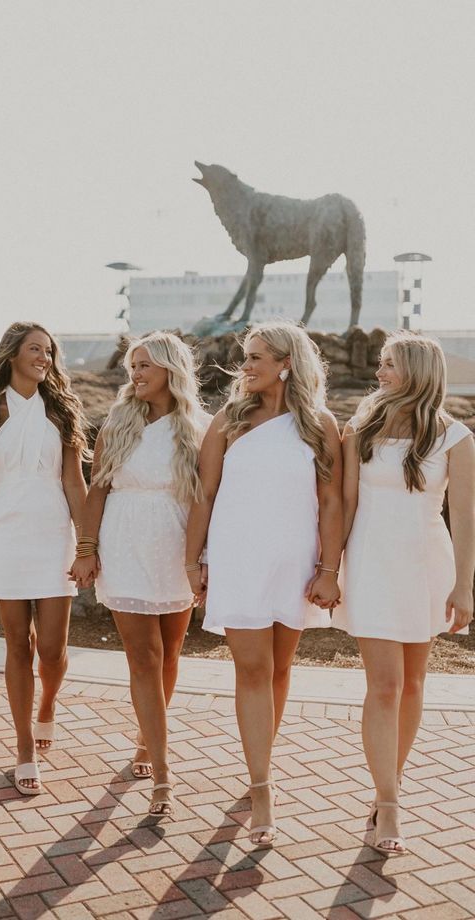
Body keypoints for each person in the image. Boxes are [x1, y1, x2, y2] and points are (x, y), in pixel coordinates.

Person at [185, 321, 343, 846]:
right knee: (252, 669)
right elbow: (204, 494)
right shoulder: (228, 421)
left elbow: (331, 502)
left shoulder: (319, 424)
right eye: (246, 356)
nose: (245, 366)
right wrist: (194, 560)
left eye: (257, 357)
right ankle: (262, 787)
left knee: (278, 670)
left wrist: (328, 569)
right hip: (239, 561)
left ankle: (261, 761)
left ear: (287, 364)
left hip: (294, 563)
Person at [332, 331, 474, 855]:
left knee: (414, 684)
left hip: (425, 566)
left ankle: (387, 785)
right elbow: (344, 505)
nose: (380, 371)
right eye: (381, 363)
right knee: (385, 686)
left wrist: (464, 586)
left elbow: (464, 518)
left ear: (417, 370)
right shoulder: (361, 427)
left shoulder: (455, 437)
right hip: (371, 563)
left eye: (390, 363)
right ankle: (389, 803)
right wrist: (330, 567)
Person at [69, 332, 210, 817]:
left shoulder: (200, 428)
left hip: (175, 549)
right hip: (125, 544)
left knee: (170, 654)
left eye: (145, 365)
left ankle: (148, 740)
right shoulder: (117, 422)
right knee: (145, 658)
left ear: (172, 369)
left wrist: (201, 559)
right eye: (133, 366)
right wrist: (86, 548)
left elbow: (204, 501)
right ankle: (164, 774)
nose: (136, 374)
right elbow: (97, 490)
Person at [0, 321, 88, 795]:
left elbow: (75, 482)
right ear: (12, 353)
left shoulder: (62, 409)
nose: (45, 358)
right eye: (36, 349)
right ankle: (24, 747)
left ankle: (47, 705)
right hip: (6, 536)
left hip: (53, 534)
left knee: (52, 649)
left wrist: (88, 542)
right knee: (18, 645)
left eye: (49, 351)